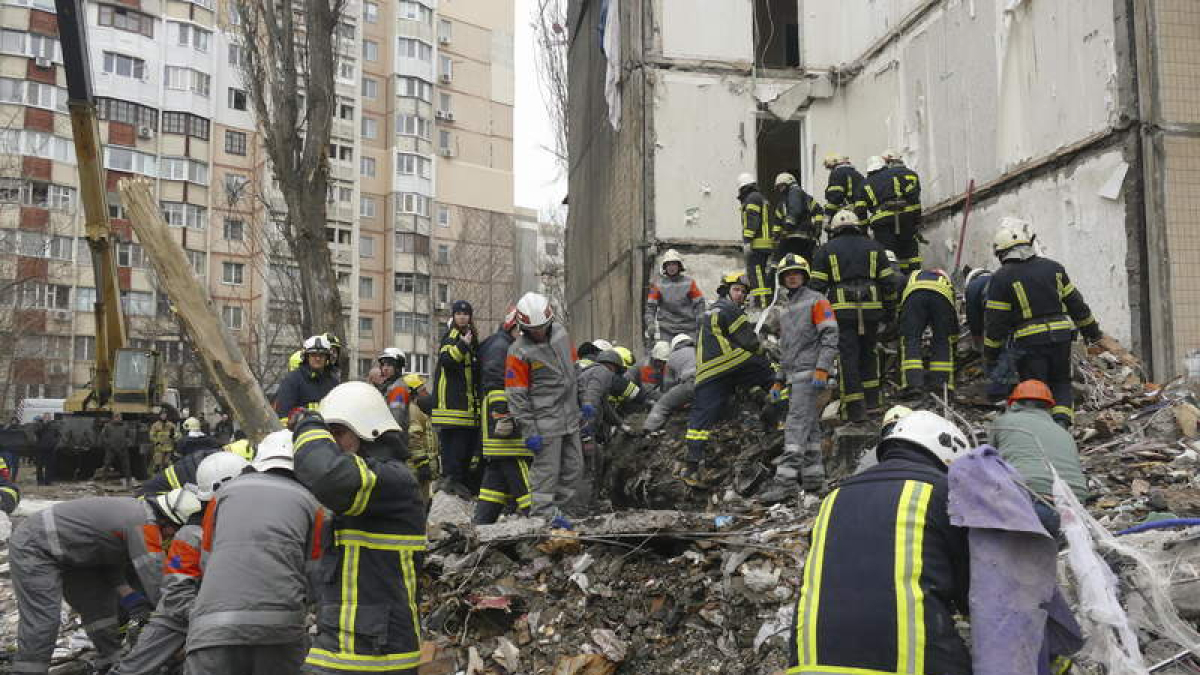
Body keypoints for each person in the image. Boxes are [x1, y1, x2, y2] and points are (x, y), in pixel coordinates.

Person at [787, 410, 972, 675]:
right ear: (948, 456)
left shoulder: (833, 498)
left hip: (809, 664)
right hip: (907, 664)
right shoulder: (944, 493)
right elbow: (972, 591)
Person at [290, 381, 426, 674]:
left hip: (376, 655)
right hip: (345, 647)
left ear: (368, 432)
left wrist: (309, 426)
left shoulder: (393, 480)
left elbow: (327, 476)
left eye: (337, 433)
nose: (332, 445)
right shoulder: (362, 491)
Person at [10, 489, 201, 675]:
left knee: (100, 609)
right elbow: (157, 580)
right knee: (44, 618)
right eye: (175, 531)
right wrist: (180, 618)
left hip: (76, 555)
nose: (172, 537)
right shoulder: (143, 525)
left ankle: (111, 660)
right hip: (37, 547)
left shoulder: (138, 516)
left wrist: (130, 596)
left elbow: (108, 559)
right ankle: (28, 670)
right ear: (168, 521)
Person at [185, 432, 322, 674]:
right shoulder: (313, 504)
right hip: (280, 631)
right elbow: (316, 574)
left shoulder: (221, 496)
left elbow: (206, 561)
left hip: (212, 627)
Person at [112, 452, 251, 675]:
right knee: (136, 666)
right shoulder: (191, 534)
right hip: (187, 614)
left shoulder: (253, 526)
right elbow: (175, 593)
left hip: (230, 617)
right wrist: (208, 619)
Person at [983, 219, 1104, 426]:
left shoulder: (1001, 278)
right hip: (1061, 337)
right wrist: (1093, 332)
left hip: (1030, 341)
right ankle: (1062, 424)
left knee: (1035, 387)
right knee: (1061, 382)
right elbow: (1076, 304)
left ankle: (1042, 428)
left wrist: (991, 353)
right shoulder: (1054, 268)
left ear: (1002, 253)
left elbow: (996, 322)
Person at [682, 271, 776, 487]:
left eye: (743, 292)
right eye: (736, 290)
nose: (740, 295)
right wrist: (767, 350)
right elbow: (749, 341)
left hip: (707, 370)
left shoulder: (708, 312)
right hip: (730, 360)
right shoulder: (730, 309)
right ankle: (779, 415)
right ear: (726, 291)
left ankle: (692, 466)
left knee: (701, 416)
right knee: (768, 371)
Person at [757, 254, 839, 502]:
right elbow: (787, 349)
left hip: (810, 373)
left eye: (796, 273)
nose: (792, 278)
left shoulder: (817, 300)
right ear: (782, 279)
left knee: (794, 427)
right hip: (795, 376)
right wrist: (779, 379)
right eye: (787, 275)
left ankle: (785, 483)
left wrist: (822, 368)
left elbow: (830, 337)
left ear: (804, 276)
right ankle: (814, 480)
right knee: (810, 428)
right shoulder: (786, 309)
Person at [809, 210, 896, 422]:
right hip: (872, 311)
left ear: (834, 230)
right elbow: (889, 283)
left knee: (848, 358)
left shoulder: (826, 250)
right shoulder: (875, 247)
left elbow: (817, 287)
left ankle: (855, 410)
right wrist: (889, 312)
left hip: (842, 313)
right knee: (869, 354)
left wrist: (816, 319)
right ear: (857, 226)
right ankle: (873, 403)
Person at [505, 292, 583, 520]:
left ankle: (562, 512)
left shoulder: (561, 335)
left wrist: (585, 400)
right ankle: (542, 516)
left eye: (542, 327)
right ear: (523, 327)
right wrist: (529, 431)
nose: (538, 332)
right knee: (546, 474)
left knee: (574, 468)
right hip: (544, 423)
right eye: (533, 330)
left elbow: (575, 369)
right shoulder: (518, 352)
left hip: (570, 417)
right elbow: (516, 396)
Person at [989, 380, 1088, 535]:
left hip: (1032, 506)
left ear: (1013, 403)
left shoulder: (1003, 422)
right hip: (1076, 514)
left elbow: (988, 463)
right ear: (1049, 407)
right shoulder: (1063, 433)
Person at [475, 309, 530, 523]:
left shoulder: (502, 344)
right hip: (504, 424)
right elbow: (495, 380)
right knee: (520, 470)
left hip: (497, 423)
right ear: (513, 327)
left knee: (495, 480)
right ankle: (539, 516)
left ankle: (482, 524)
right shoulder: (502, 347)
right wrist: (503, 414)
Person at [433, 299, 481, 498]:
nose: (462, 317)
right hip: (452, 405)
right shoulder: (452, 336)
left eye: (465, 314)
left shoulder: (469, 336)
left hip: (464, 404)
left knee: (462, 446)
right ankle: (452, 480)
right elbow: (446, 360)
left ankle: (457, 480)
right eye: (458, 314)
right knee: (455, 446)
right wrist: (462, 346)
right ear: (453, 316)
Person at [857, 150, 923, 275]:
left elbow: (861, 211)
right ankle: (915, 276)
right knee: (909, 251)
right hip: (904, 217)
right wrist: (916, 219)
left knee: (887, 254)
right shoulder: (896, 175)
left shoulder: (863, 185)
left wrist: (863, 232)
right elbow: (912, 196)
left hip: (882, 223)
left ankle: (893, 279)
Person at [898, 268, 957, 402]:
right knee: (942, 340)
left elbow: (900, 304)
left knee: (911, 339)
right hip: (941, 297)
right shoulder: (947, 283)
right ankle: (941, 385)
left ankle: (913, 384)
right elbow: (952, 324)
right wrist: (953, 342)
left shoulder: (911, 276)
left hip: (914, 296)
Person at [644, 249, 706, 346]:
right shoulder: (657, 285)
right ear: (665, 267)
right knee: (663, 352)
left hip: (688, 329)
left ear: (679, 266)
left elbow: (700, 304)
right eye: (668, 265)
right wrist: (650, 323)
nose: (671, 267)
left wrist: (701, 321)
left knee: (688, 353)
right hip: (666, 330)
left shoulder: (689, 283)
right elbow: (650, 307)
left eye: (674, 264)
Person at [274, 335, 341, 421]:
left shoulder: (333, 383)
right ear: (306, 357)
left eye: (322, 355)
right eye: (313, 355)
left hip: (328, 428)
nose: (318, 358)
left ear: (327, 358)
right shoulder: (292, 381)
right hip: (300, 428)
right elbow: (283, 415)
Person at [643, 333, 696, 434]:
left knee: (662, 404)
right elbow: (648, 389)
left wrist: (672, 400)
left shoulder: (672, 357)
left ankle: (648, 429)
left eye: (663, 362)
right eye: (660, 362)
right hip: (708, 381)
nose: (662, 364)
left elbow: (669, 387)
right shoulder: (698, 351)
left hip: (691, 382)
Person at [737, 172, 775, 309]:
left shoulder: (752, 198)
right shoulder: (758, 197)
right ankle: (763, 304)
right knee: (761, 276)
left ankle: (762, 306)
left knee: (757, 276)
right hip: (763, 243)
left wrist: (747, 241)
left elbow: (752, 220)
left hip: (757, 244)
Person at [773, 172, 825, 262]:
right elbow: (777, 222)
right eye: (779, 187)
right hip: (798, 239)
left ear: (788, 184)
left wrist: (817, 227)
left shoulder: (795, 192)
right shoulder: (783, 203)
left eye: (781, 186)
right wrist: (776, 235)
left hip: (797, 240)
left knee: (785, 262)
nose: (780, 190)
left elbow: (795, 211)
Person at [404, 373, 437, 500]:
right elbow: (414, 439)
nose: (426, 393)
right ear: (413, 393)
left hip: (421, 470)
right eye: (422, 390)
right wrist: (422, 464)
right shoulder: (412, 410)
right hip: (416, 470)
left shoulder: (419, 409)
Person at [377, 347, 411, 437]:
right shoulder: (388, 386)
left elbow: (396, 419)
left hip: (393, 439)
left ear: (398, 367)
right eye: (383, 365)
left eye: (389, 365)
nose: (385, 368)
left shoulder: (398, 389)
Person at [822, 154, 864, 219]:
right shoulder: (858, 174)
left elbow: (835, 197)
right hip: (859, 214)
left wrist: (827, 214)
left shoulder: (837, 173)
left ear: (835, 164)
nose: (830, 170)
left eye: (830, 167)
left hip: (844, 215)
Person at [98, 412, 134, 487]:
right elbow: (103, 436)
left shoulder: (125, 426)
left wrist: (126, 443)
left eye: (119, 417)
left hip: (123, 449)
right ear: (113, 418)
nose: (118, 418)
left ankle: (128, 481)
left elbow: (129, 437)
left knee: (126, 465)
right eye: (116, 417)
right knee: (107, 464)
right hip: (111, 449)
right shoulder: (107, 426)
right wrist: (109, 444)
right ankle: (103, 480)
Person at [33, 414, 57, 486]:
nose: (48, 419)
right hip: (41, 448)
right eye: (46, 417)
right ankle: (40, 481)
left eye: (49, 417)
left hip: (50, 448)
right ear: (43, 418)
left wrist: (54, 442)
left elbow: (57, 434)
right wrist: (44, 424)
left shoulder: (53, 426)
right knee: (39, 465)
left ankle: (48, 481)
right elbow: (37, 432)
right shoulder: (39, 425)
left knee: (49, 466)